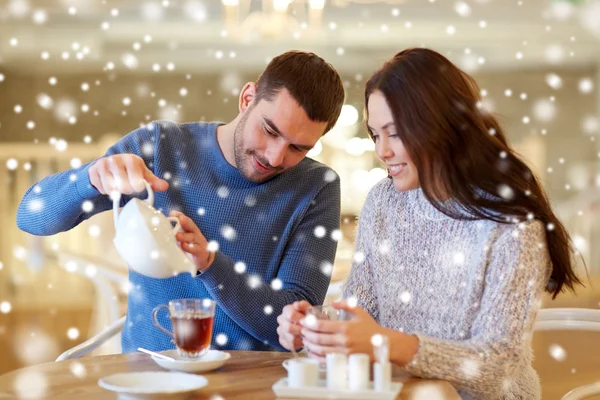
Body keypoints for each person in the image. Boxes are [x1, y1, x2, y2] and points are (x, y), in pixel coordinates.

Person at [276, 48, 582, 399]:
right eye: (376, 134)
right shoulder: (383, 201)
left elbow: (497, 368)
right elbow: (361, 311)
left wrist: (387, 342)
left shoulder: (510, 226)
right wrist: (317, 326)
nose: (382, 150)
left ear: (440, 127)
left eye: (395, 133)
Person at [17, 50, 345, 353]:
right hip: (149, 378)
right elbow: (31, 217)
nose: (275, 157)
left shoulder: (317, 187)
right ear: (247, 99)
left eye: (298, 148)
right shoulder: (161, 148)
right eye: (270, 131)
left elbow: (292, 331)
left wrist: (210, 264)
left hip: (251, 384)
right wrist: (89, 178)